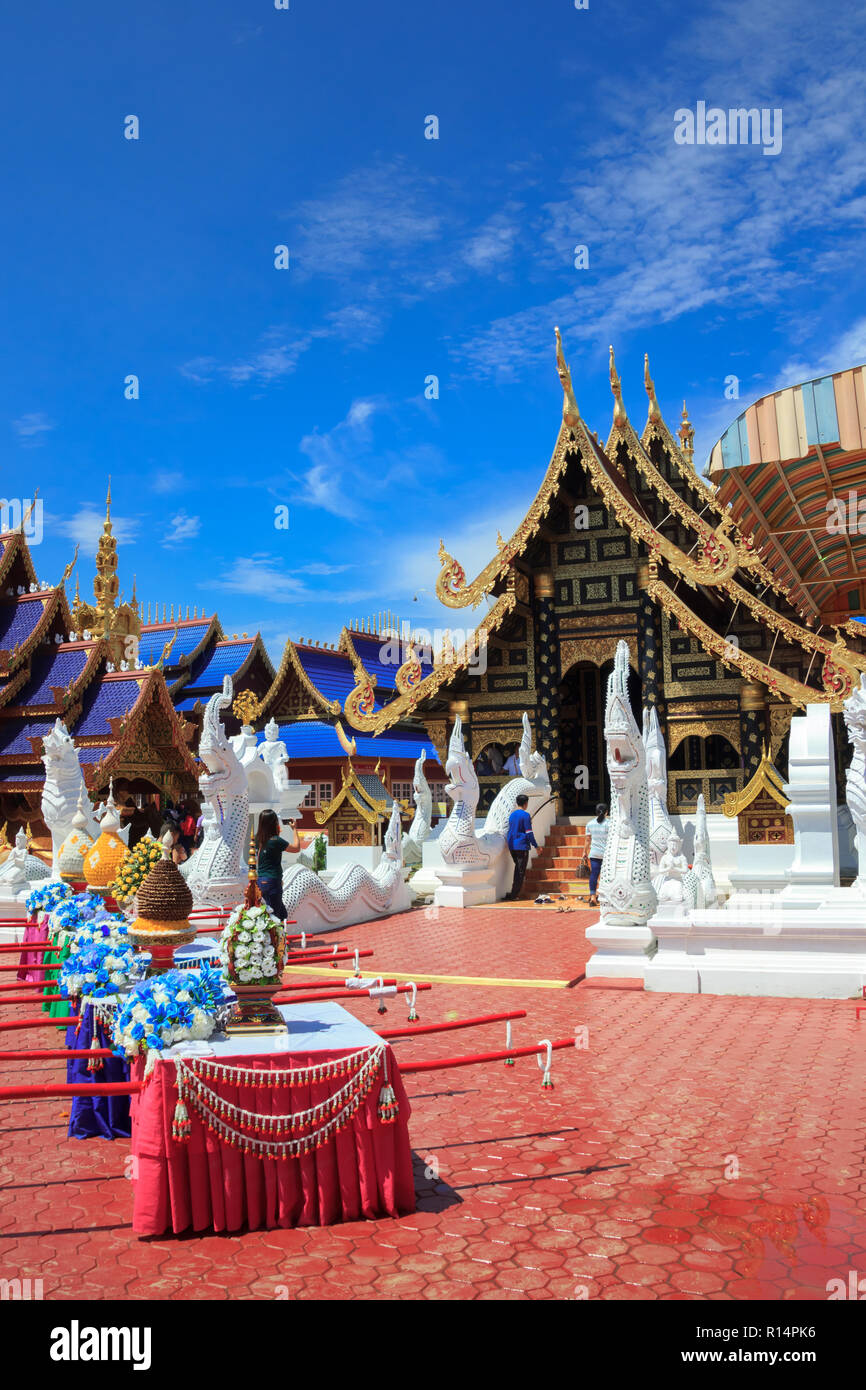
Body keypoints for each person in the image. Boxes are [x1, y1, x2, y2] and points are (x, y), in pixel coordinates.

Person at [256, 808, 300, 921]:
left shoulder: (259, 839)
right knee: (275, 916)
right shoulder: (276, 840)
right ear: (274, 823)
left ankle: (276, 937)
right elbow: (296, 848)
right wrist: (294, 829)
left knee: (274, 913)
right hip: (272, 881)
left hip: (261, 880)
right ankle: (275, 938)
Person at [504, 793, 538, 901]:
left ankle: (514, 892)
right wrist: (536, 846)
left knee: (518, 869)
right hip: (521, 846)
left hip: (512, 845)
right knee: (520, 871)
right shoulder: (525, 815)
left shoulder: (512, 815)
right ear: (526, 803)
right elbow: (529, 832)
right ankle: (514, 894)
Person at [584, 803, 609, 907]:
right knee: (606, 876)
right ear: (607, 812)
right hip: (607, 854)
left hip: (594, 854)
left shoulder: (590, 824)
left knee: (594, 875)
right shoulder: (610, 823)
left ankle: (593, 897)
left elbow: (587, 840)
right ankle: (604, 896)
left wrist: (584, 852)